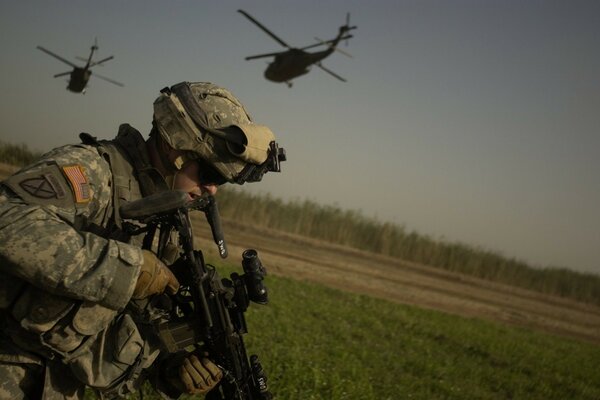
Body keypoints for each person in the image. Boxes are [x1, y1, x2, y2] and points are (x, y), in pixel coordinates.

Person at [0, 81, 286, 399]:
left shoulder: (166, 222)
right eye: (210, 175)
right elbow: (7, 221)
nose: (212, 189)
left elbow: (127, 324)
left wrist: (172, 371)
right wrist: (128, 270)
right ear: (177, 147)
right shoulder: (94, 171)